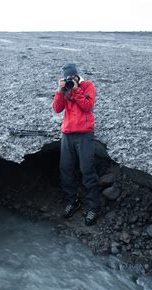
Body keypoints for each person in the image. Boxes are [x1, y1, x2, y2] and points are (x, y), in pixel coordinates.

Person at [52, 63, 99, 226]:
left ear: (77, 76)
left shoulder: (88, 86)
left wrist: (76, 89)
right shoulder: (64, 90)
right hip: (67, 135)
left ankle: (93, 207)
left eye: (72, 77)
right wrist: (60, 91)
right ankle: (72, 202)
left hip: (85, 135)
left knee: (87, 170)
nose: (70, 80)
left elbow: (88, 106)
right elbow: (57, 109)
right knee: (66, 170)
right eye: (67, 78)